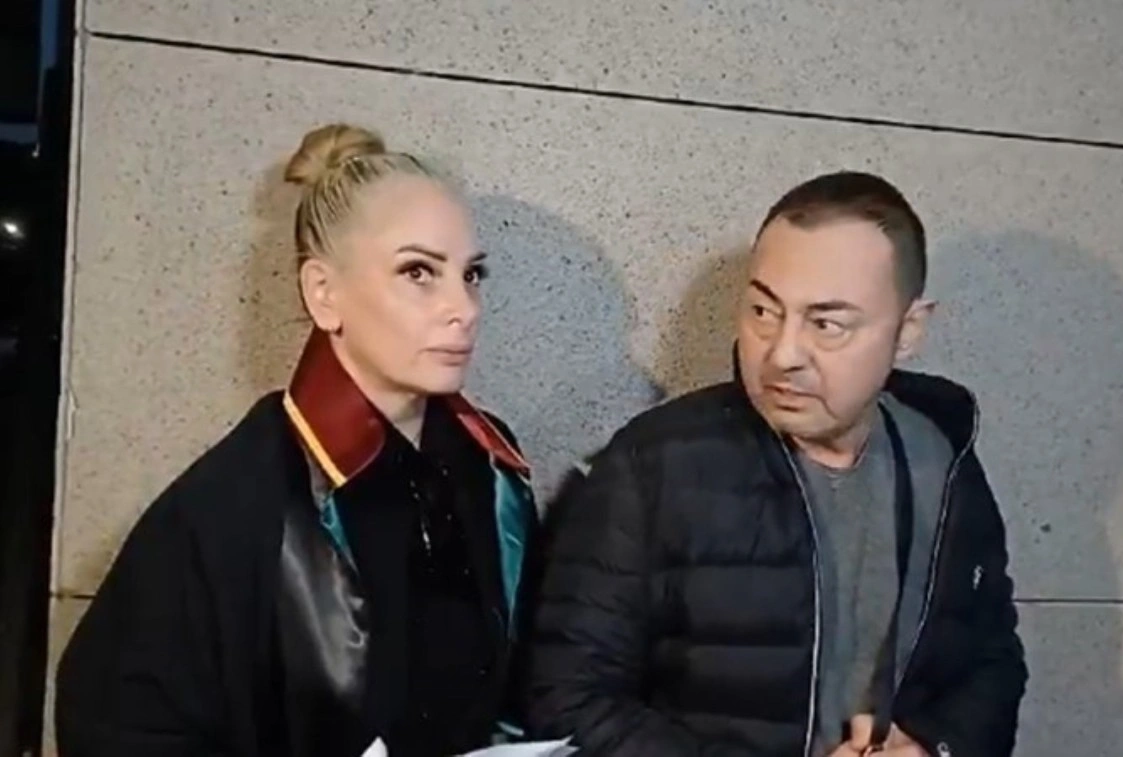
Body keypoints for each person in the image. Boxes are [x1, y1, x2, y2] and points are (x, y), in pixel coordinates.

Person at [56, 124, 539, 757]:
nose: (465, 308)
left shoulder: (490, 469)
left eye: (472, 274)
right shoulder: (236, 503)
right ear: (323, 293)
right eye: (418, 271)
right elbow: (114, 725)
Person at [527, 172, 1027, 756]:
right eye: (764, 311)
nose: (782, 354)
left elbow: (992, 660)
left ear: (908, 330)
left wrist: (932, 745)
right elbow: (566, 700)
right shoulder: (654, 463)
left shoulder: (944, 457)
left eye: (827, 324)